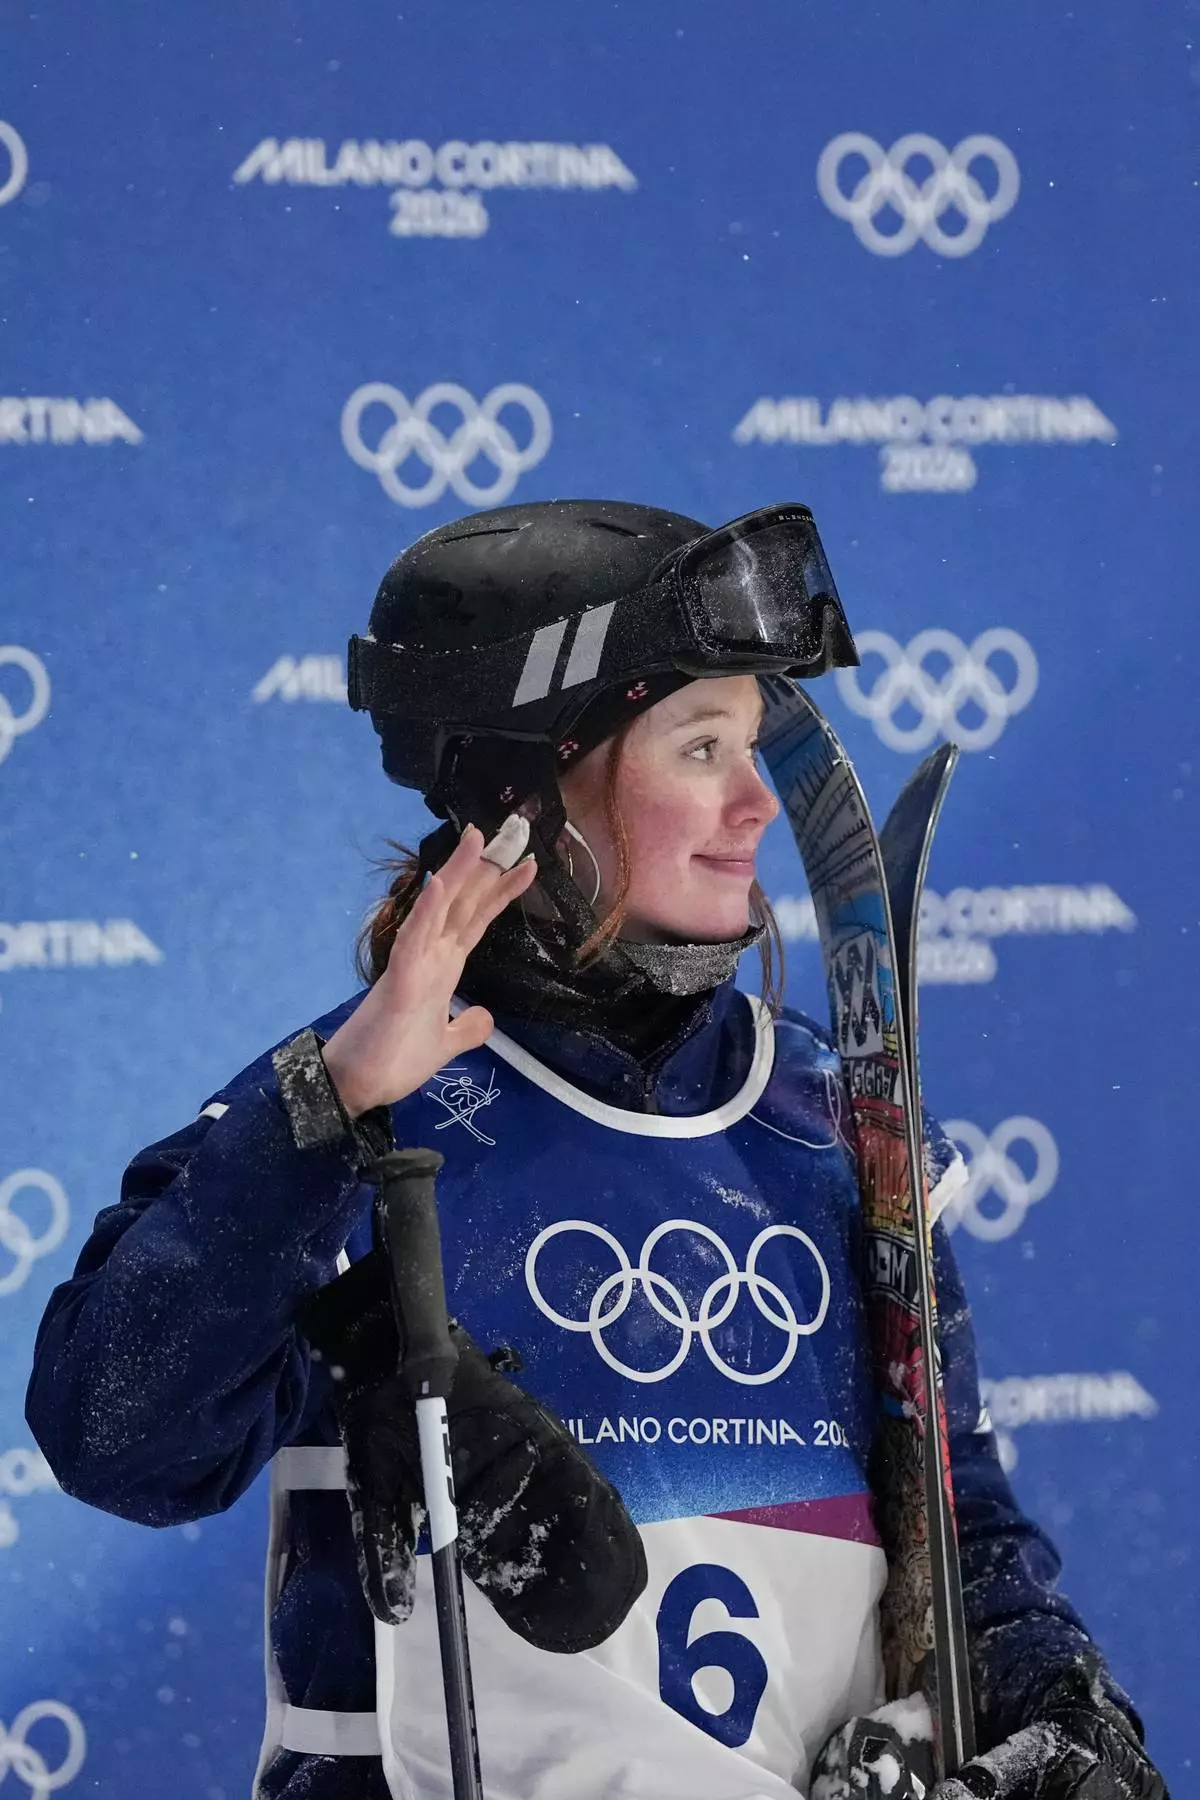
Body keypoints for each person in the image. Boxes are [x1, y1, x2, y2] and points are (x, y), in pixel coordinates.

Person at [26, 501, 1167, 1800]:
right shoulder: (353, 1115)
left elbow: (952, 1517)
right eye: (698, 748)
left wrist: (1056, 1701)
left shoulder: (830, 1122)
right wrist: (323, 1119)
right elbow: (116, 1436)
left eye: (755, 747)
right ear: (526, 797)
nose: (753, 807)